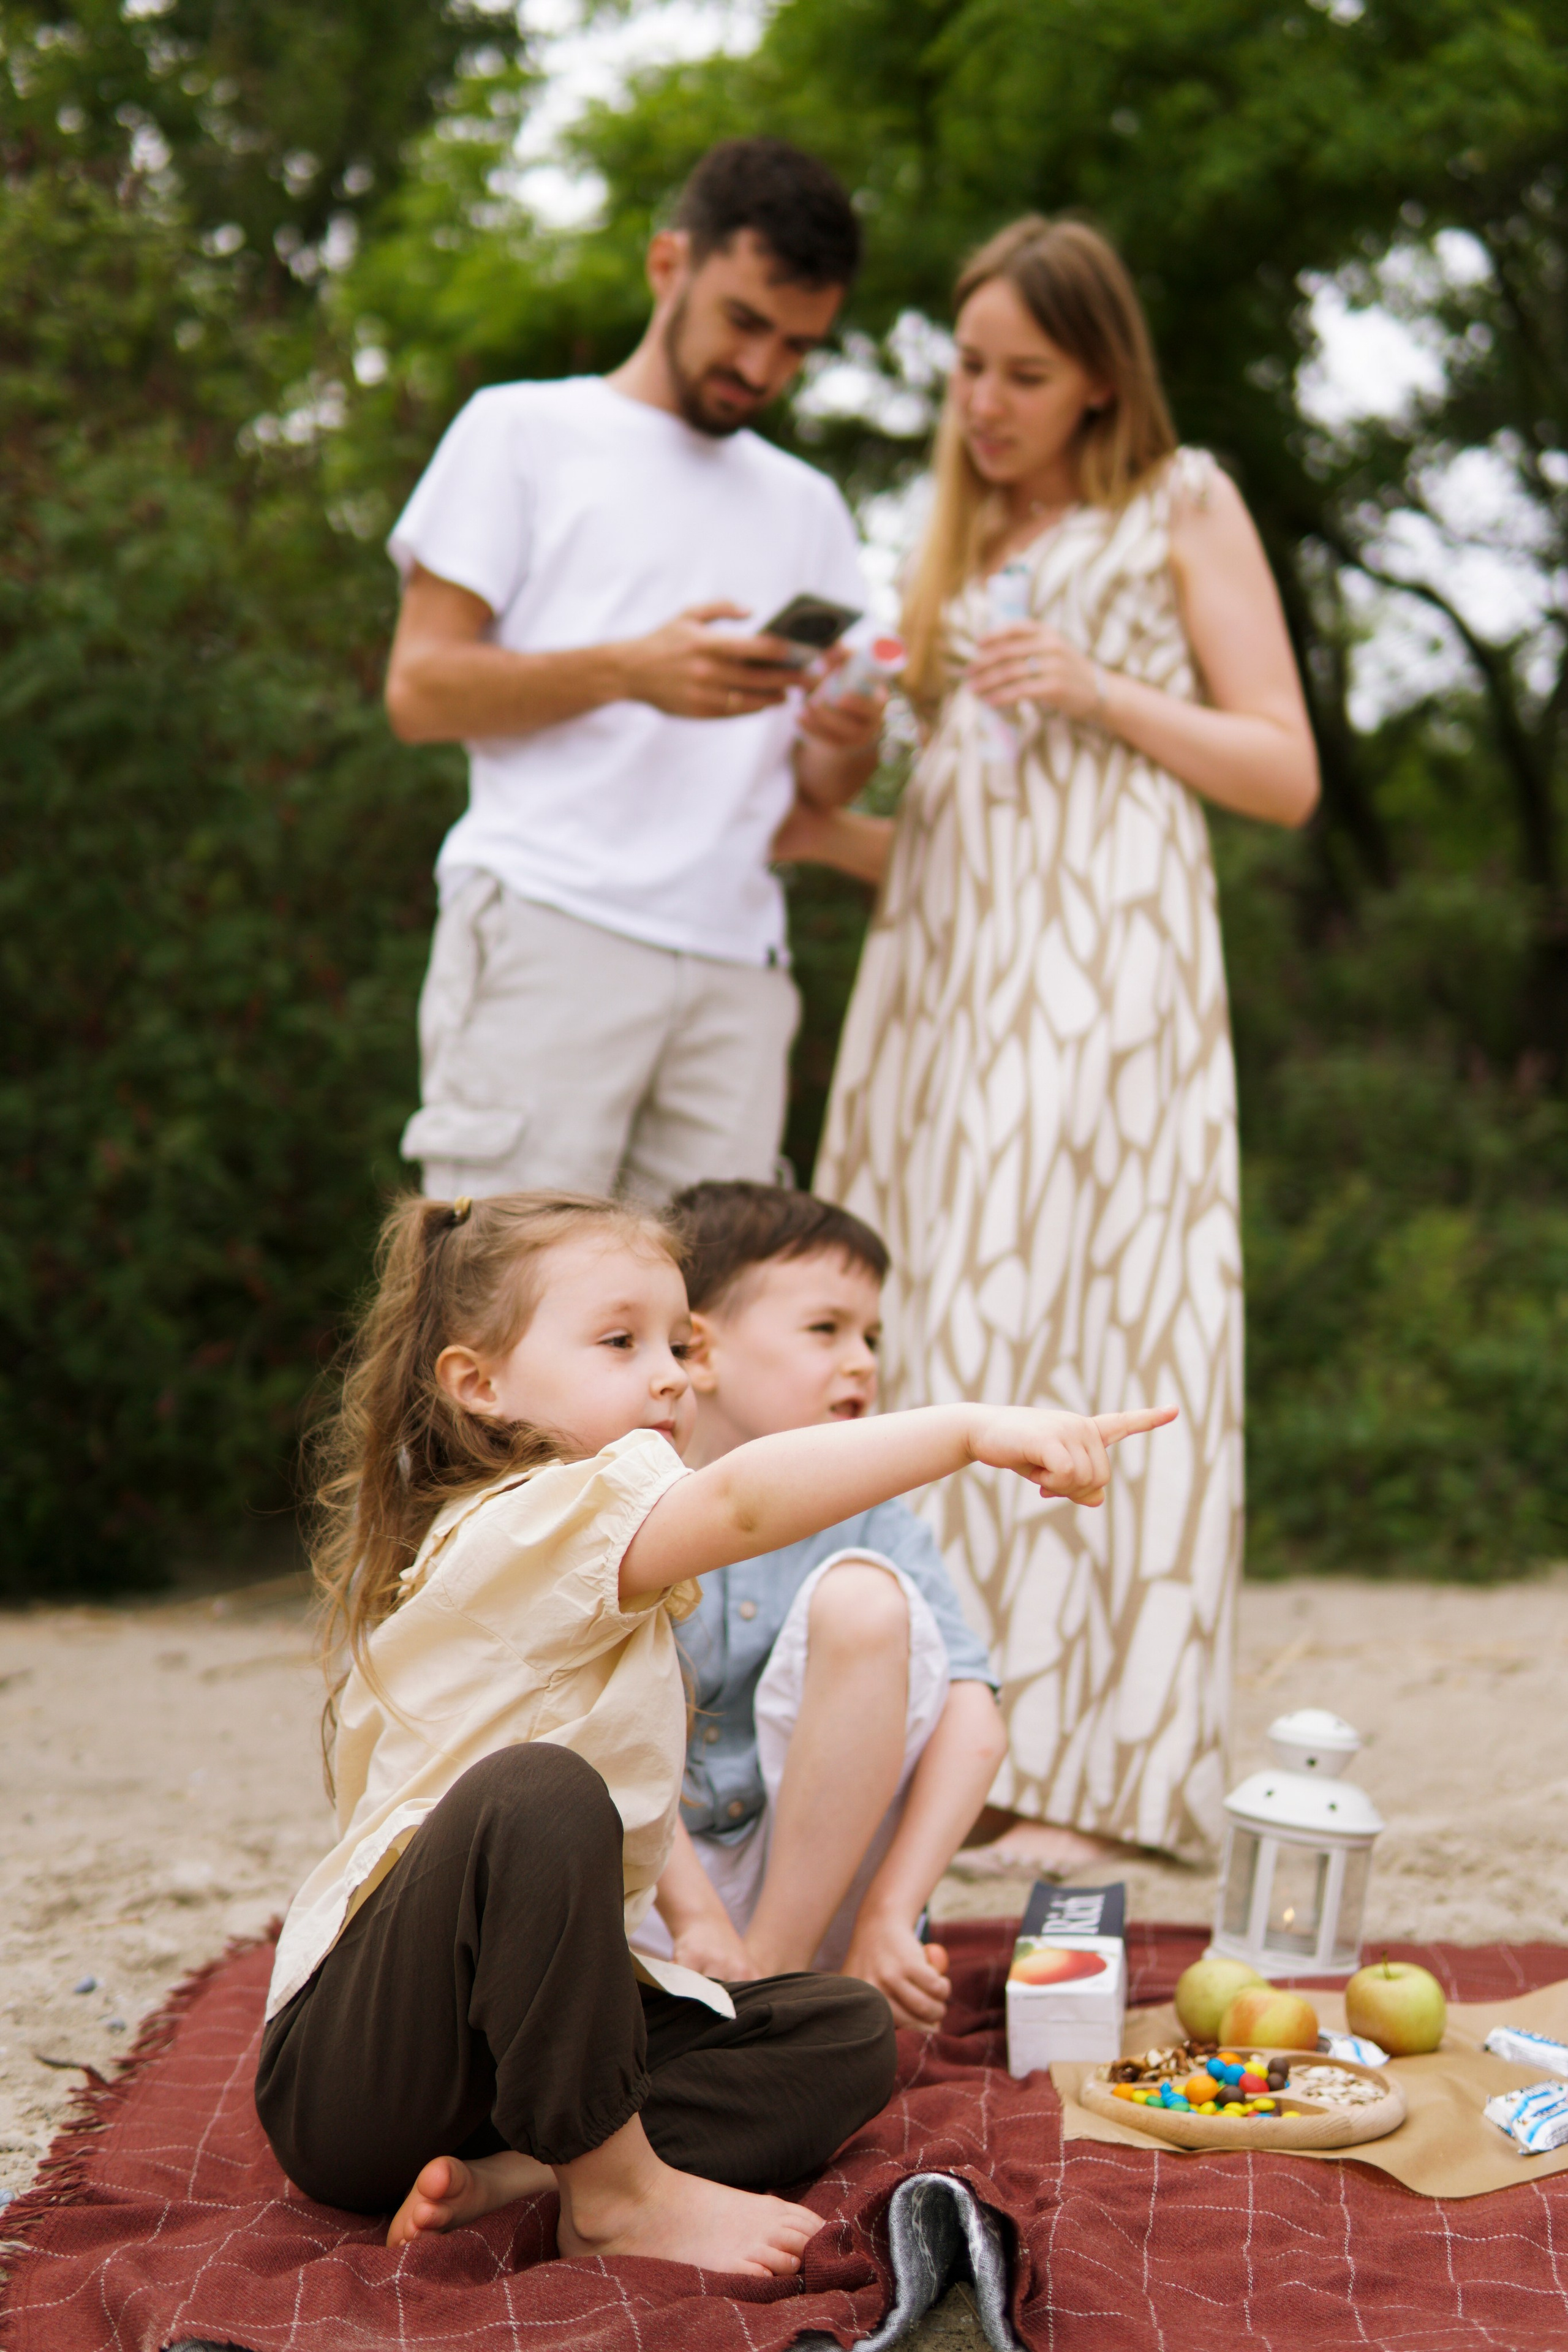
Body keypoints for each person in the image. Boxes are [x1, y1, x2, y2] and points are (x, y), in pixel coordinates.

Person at [255, 1188, 1172, 2274]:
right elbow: (742, 1504)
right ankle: (616, 2196)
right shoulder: (530, 1518)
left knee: (839, 2032)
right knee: (538, 1793)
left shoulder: (604, 1543)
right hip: (358, 2083)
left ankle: (534, 2175)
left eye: (678, 1345)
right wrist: (973, 1431)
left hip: (511, 2083)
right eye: (619, 1341)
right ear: (479, 1385)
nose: (669, 1375)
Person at [795, 216, 1319, 1869]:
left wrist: (1100, 689)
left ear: (1101, 377)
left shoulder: (1182, 501)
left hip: (1109, 980)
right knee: (928, 1314)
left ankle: (1084, 1749)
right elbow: (947, 832)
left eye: (1025, 373)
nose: (988, 403)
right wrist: (833, 793)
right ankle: (934, 1739)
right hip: (942, 994)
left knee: (1086, 1302)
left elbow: (1282, 772)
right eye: (968, 369)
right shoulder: (941, 553)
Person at [383, 138, 888, 1206]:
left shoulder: (808, 506)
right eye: (744, 321)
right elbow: (419, 691)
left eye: (797, 347)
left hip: (738, 966)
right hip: (548, 923)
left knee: (713, 1341)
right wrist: (630, 670)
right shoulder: (523, 430)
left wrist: (847, 740)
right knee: (500, 1307)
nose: (761, 368)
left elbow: (820, 792)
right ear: (670, 266)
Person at [630, 1182, 1006, 2029]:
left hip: (814, 1879)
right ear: (700, 1352)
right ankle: (752, 2017)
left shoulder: (874, 1515)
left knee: (868, 1601)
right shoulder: (626, 1496)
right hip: (653, 1882)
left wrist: (888, 1913)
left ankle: (774, 1986)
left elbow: (973, 1722)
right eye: (826, 1329)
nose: (864, 1359)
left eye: (872, 1335)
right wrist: (696, 1922)